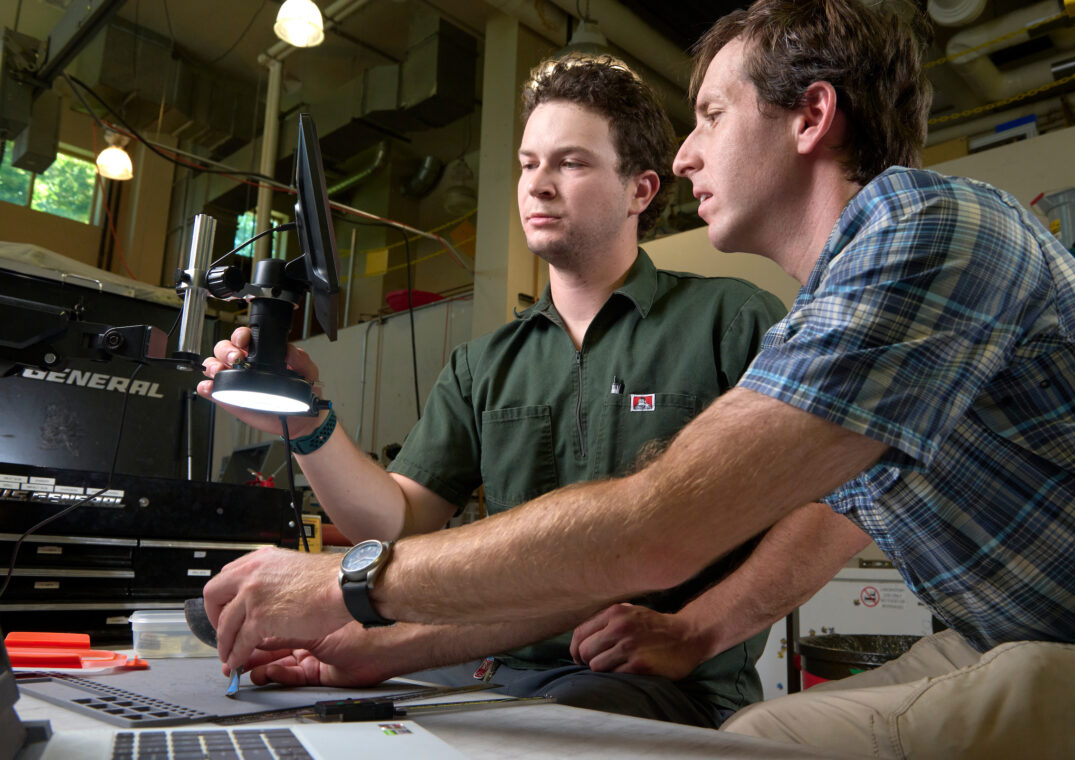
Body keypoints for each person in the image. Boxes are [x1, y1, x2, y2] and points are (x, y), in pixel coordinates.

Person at [203, 1, 1075, 752]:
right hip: (1004, 633)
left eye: (711, 117)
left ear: (812, 114)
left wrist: (351, 585)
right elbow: (810, 512)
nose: (687, 154)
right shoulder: (824, 323)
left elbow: (654, 533)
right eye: (529, 163)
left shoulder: (928, 230)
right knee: (768, 733)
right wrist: (383, 645)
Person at [200, 53, 869, 729]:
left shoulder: (730, 321)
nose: (538, 186)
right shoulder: (484, 363)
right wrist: (310, 426)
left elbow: (839, 502)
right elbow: (397, 523)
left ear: (640, 190)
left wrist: (699, 628)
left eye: (571, 164)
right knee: (261, 674)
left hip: (644, 681)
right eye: (528, 164)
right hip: (481, 667)